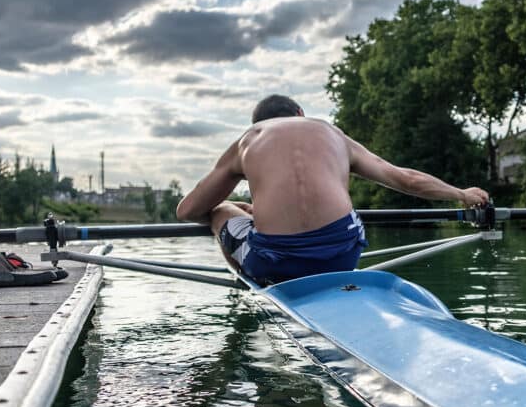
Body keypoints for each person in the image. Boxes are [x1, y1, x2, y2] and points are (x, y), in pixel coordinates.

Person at [176, 94, 490, 284]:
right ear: (300, 113)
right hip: (341, 257)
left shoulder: (249, 139)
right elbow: (405, 179)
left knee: (221, 209)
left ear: (256, 123)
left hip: (274, 263)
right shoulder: (333, 134)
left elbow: (188, 210)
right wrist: (462, 194)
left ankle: (253, 281)